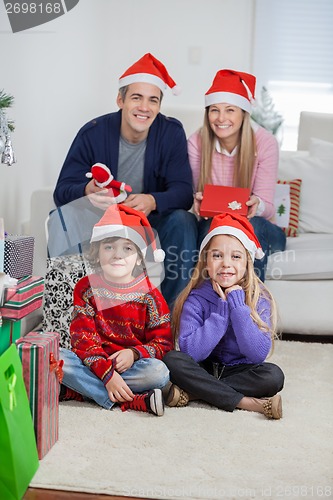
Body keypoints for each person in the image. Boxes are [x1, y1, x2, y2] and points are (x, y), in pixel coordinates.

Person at [48, 53, 197, 308]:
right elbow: (61, 191)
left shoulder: (171, 132)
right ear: (121, 100)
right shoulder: (93, 132)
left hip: (148, 222)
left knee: (183, 221)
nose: (144, 107)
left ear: (160, 106)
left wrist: (152, 200)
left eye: (153, 100)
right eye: (136, 97)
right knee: (61, 218)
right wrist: (87, 190)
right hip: (101, 218)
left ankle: (171, 319)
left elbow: (184, 193)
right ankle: (68, 313)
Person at [163, 212, 285, 419]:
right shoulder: (196, 297)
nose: (226, 264)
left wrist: (238, 307)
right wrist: (220, 315)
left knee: (273, 376)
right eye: (217, 255)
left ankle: (194, 393)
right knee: (171, 360)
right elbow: (191, 352)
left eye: (235, 256)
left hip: (241, 370)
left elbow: (257, 355)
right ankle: (246, 402)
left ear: (247, 262)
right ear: (206, 261)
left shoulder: (259, 298)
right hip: (204, 367)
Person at [59, 204, 173, 416]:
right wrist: (107, 376)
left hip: (131, 367)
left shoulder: (151, 296)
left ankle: (77, 391)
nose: (117, 255)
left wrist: (134, 353)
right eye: (109, 247)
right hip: (92, 363)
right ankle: (132, 400)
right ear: (97, 252)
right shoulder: (86, 288)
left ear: (139, 257)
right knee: (55, 357)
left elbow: (164, 344)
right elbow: (82, 339)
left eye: (127, 248)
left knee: (158, 373)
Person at [188, 68, 286, 281]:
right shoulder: (197, 142)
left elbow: (268, 208)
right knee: (210, 230)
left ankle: (251, 305)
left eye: (230, 110)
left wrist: (256, 204)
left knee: (254, 226)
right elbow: (194, 196)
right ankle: (209, 304)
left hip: (259, 225)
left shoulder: (265, 143)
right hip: (217, 224)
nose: (221, 118)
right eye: (214, 110)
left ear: (244, 113)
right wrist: (196, 201)